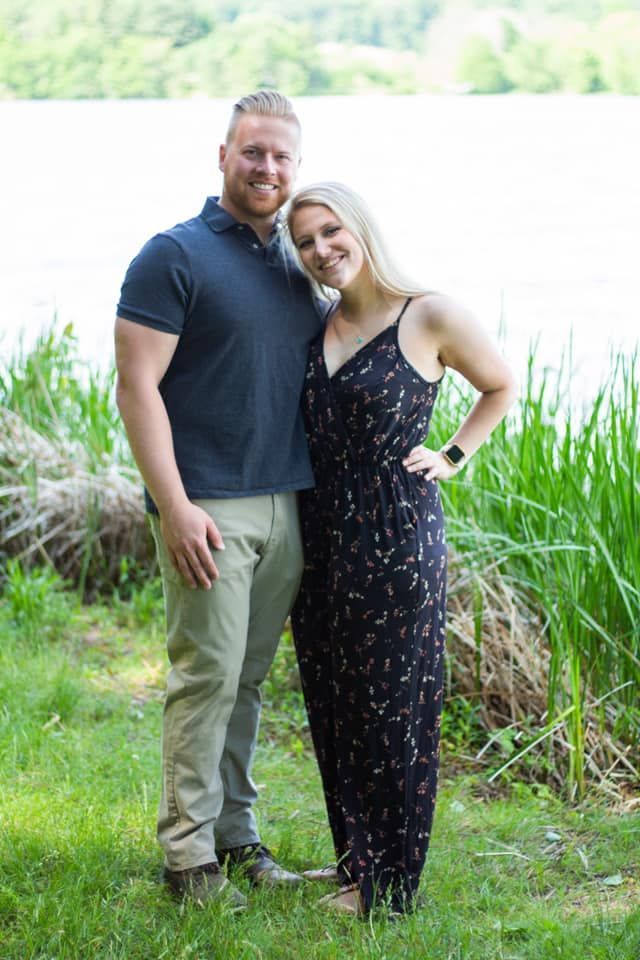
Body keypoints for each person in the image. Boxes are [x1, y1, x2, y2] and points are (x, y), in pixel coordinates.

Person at [114, 91, 322, 911]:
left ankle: (237, 838)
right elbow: (137, 389)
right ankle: (187, 859)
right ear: (223, 155)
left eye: (282, 157)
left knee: (250, 681)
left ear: (296, 167)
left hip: (286, 503)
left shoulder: (299, 258)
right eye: (253, 152)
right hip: (209, 507)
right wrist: (173, 505)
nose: (268, 168)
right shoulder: (173, 255)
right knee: (206, 679)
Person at [287, 182, 518, 916]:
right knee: (333, 699)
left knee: (392, 709)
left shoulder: (430, 314)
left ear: (358, 227)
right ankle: (358, 858)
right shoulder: (318, 322)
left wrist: (451, 454)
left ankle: (390, 888)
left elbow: (500, 385)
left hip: (394, 533)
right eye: (304, 242)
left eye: (330, 232)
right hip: (319, 534)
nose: (322, 250)